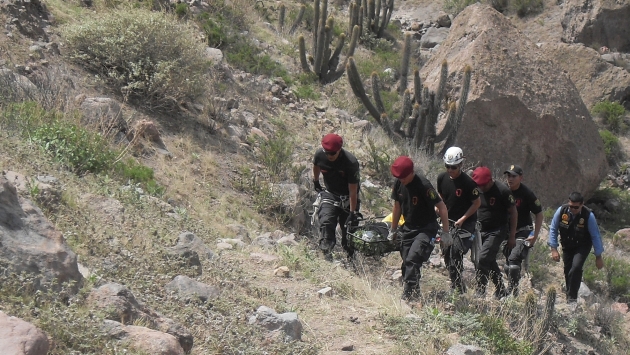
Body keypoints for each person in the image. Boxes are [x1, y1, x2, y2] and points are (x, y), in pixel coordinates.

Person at [389, 156, 450, 301]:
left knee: (413, 258)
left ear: (411, 172)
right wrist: (393, 229)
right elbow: (397, 207)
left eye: (404, 177)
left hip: (426, 228)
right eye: (399, 177)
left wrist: (446, 233)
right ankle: (414, 291)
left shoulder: (424, 185)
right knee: (406, 261)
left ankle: (409, 295)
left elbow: (441, 206)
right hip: (408, 227)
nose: (401, 180)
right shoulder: (399, 182)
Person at [437, 147, 481, 294]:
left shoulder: (468, 183)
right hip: (448, 221)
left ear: (461, 165)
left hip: (465, 223)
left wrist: (463, 219)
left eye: (453, 167)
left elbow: (477, 203)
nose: (450, 170)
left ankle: (457, 288)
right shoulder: (442, 178)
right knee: (446, 252)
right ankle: (457, 283)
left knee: (456, 250)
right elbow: (441, 197)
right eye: (447, 166)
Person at [548, 192, 604, 303]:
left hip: (582, 246)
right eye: (571, 206)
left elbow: (595, 236)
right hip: (567, 245)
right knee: (568, 271)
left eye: (576, 207)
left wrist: (598, 256)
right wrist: (554, 249)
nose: (573, 209)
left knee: (576, 267)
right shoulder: (561, 211)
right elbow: (553, 229)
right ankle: (569, 295)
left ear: (582, 204)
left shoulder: (588, 216)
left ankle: (572, 299)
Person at [471, 166, 517, 299]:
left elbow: (513, 212)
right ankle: (501, 289)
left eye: (483, 185)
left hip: (497, 230)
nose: (481, 188)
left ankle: (481, 289)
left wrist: (512, 236)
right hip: (480, 230)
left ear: (490, 181)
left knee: (483, 258)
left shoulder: (503, 191)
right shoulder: (476, 189)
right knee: (489, 260)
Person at [312, 133, 360, 260]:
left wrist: (352, 212)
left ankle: (350, 259)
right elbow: (316, 165)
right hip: (330, 193)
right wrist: (316, 181)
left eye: (332, 153)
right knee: (326, 222)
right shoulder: (320, 155)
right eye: (327, 152)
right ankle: (326, 256)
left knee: (349, 233)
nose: (329, 155)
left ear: (339, 150)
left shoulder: (351, 163)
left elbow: (353, 190)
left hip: (348, 197)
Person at [502, 165, 544, 296]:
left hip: (524, 232)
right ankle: (510, 289)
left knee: (514, 261)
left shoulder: (527, 193)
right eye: (508, 176)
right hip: (508, 233)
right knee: (508, 265)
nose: (510, 179)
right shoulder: (503, 191)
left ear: (521, 177)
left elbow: (539, 214)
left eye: (513, 176)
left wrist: (535, 236)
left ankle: (512, 292)